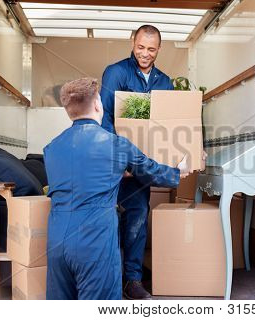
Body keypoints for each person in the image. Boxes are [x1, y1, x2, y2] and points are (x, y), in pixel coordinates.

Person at [44, 77, 189, 300]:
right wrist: (178, 171)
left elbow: (83, 172)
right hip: (94, 242)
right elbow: (151, 171)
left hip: (56, 242)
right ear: (97, 105)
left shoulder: (51, 148)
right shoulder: (116, 144)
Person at [100, 25, 174, 299]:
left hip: (142, 166)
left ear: (159, 49)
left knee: (138, 218)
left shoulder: (164, 82)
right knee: (106, 218)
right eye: (141, 47)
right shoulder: (116, 72)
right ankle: (107, 277)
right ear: (133, 42)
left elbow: (166, 127)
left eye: (151, 49)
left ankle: (132, 281)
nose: (145, 53)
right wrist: (121, 161)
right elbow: (104, 119)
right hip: (113, 163)